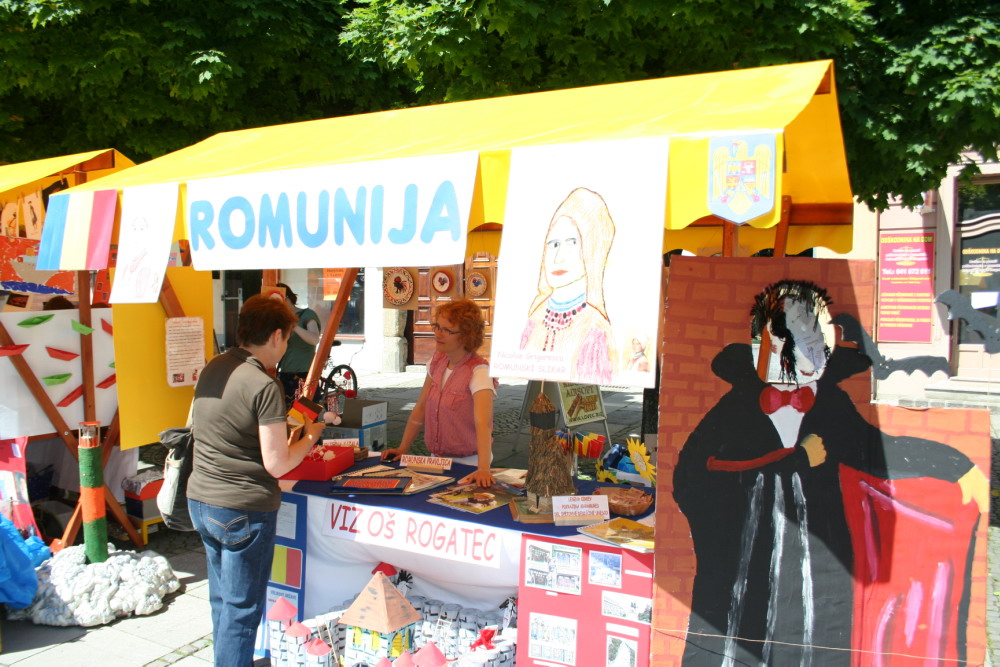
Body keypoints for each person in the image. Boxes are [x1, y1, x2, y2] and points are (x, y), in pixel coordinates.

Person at [673, 279, 989, 666]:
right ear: (762, 345)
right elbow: (689, 481)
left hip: (815, 569)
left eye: (815, 340)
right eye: (790, 340)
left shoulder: (830, 404)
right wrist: (790, 462)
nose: (804, 353)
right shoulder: (735, 407)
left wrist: (958, 464)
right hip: (742, 570)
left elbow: (876, 450)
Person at [187, 294, 325, 666]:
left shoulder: (215, 366)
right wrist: (311, 436)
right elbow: (277, 464)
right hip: (242, 507)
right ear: (277, 336)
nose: (286, 346)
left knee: (223, 601)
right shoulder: (263, 384)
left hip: (202, 498)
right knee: (242, 610)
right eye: (288, 338)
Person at [381, 299, 497, 486]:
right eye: (437, 326)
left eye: (447, 330)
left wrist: (483, 469)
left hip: (470, 464)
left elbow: (483, 423)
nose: (438, 333)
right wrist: (403, 448)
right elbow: (420, 409)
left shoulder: (479, 371)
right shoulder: (437, 362)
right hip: (436, 461)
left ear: (466, 336)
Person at [520, 187, 615, 384]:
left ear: (592, 248)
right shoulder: (535, 317)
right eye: (553, 244)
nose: (558, 257)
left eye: (572, 243)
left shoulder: (594, 328)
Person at [275, 282, 321, 405]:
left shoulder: (307, 314)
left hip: (305, 374)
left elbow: (314, 339)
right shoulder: (278, 320)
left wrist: (293, 325)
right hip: (285, 374)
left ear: (287, 298)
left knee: (305, 414)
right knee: (287, 413)